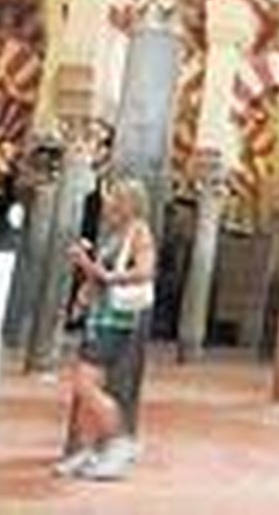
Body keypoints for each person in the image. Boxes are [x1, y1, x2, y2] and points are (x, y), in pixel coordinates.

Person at [53, 175, 157, 481]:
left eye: (114, 198)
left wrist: (92, 268)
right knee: (87, 389)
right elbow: (98, 276)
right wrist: (84, 295)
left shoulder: (139, 232)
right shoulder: (115, 234)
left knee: (85, 386)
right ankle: (85, 452)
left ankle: (120, 441)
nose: (108, 202)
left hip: (116, 319)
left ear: (128, 202)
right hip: (99, 317)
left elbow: (144, 271)